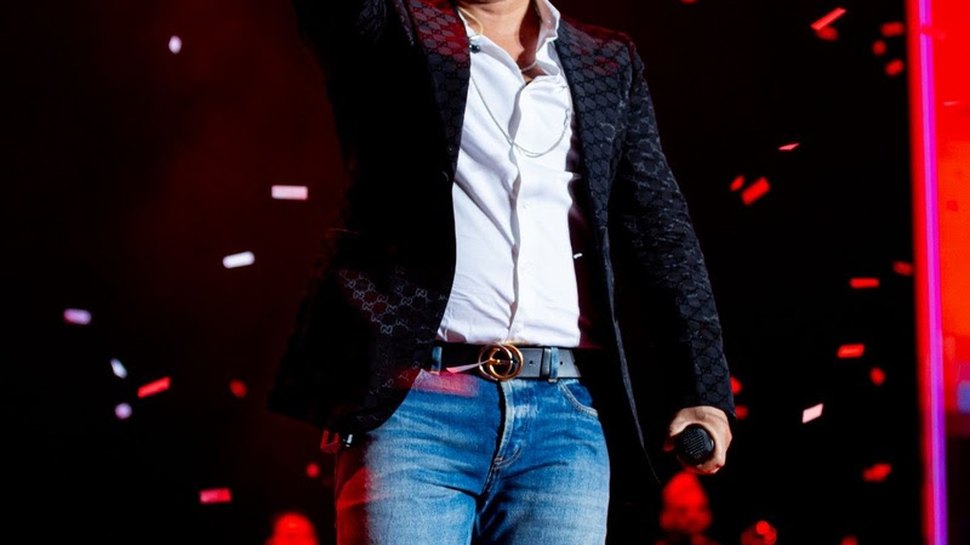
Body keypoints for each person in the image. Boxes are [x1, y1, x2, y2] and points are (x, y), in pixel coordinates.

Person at [268, 0, 735, 544]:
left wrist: (702, 387)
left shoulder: (605, 60)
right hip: (415, 409)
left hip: (563, 417)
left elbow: (660, 228)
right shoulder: (394, 29)